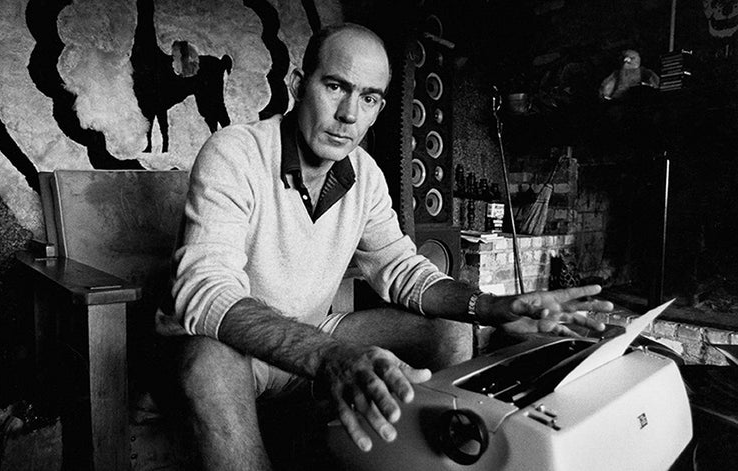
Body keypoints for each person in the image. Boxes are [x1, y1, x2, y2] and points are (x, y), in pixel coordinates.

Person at [156, 22, 613, 470]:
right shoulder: (234, 152)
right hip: (238, 350)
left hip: (317, 329)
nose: (349, 115)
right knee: (208, 363)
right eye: (335, 86)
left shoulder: (364, 174)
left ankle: (424, 460)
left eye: (369, 98)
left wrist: (493, 307)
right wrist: (328, 354)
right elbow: (205, 292)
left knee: (448, 330)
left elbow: (400, 268)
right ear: (299, 84)